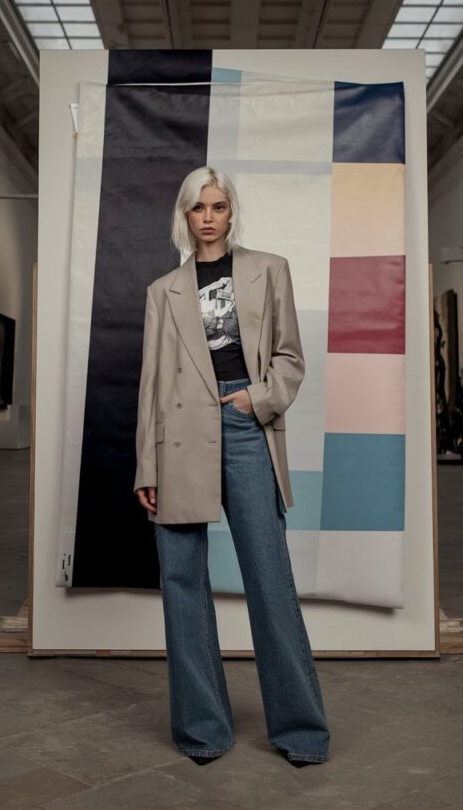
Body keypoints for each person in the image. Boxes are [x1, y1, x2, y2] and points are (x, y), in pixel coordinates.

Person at [134, 166, 331, 767]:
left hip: (246, 426)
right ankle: (202, 730)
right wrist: (147, 466)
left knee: (269, 579)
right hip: (180, 437)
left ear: (231, 211)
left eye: (219, 206)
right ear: (185, 216)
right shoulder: (162, 290)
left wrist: (256, 398)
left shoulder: (268, 269)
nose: (210, 216)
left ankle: (301, 732)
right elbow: (149, 386)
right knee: (182, 583)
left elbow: (290, 356)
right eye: (199, 207)